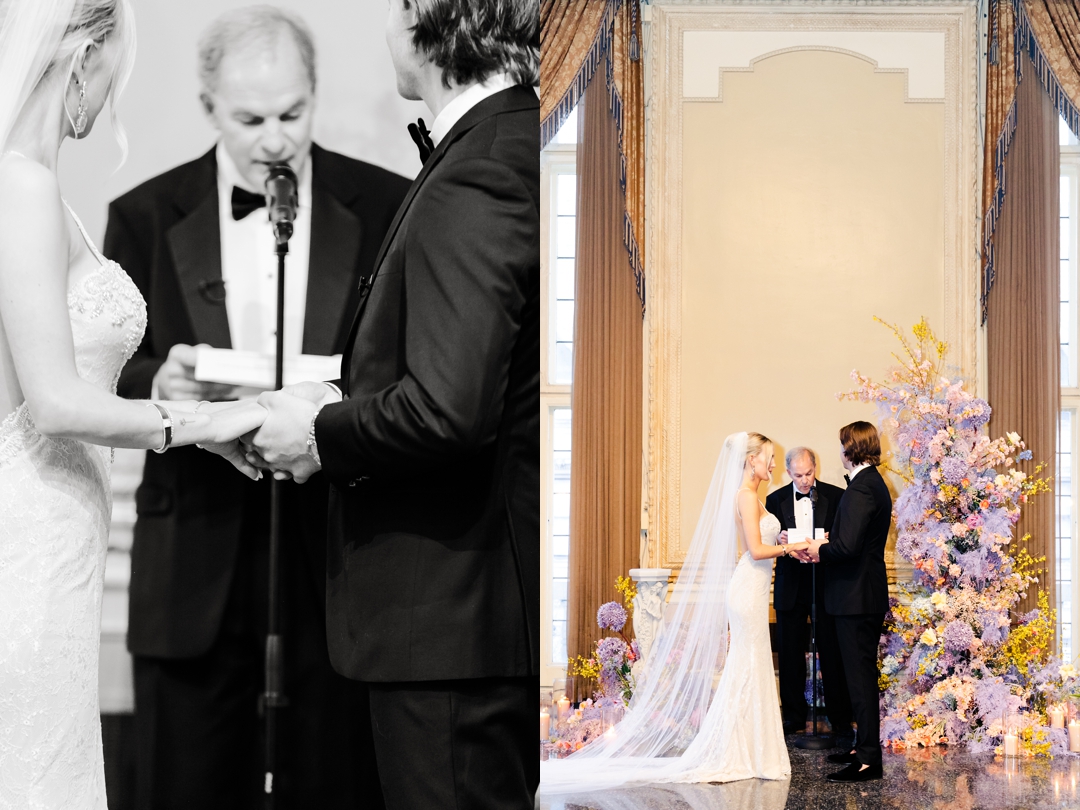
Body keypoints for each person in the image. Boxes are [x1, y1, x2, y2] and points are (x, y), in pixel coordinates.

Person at [215, 0, 540, 806]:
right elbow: (465, 371)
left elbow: (448, 410)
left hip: (451, 624)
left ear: (424, 19)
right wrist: (334, 394)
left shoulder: (481, 168)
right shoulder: (499, 143)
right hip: (464, 620)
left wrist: (318, 433)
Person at [103, 7, 411, 809]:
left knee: (335, 782)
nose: (275, 139)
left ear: (314, 95)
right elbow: (109, 369)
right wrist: (160, 383)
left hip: (335, 546)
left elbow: (410, 363)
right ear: (209, 107)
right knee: (186, 781)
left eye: (292, 114)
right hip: (193, 548)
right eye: (250, 120)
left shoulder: (389, 204)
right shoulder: (144, 213)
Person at [0, 1, 263, 805]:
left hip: (61, 543)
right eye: (116, 69)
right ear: (84, 57)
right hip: (32, 542)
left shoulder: (37, 188)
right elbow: (52, 402)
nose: (116, 94)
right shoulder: (22, 185)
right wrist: (199, 423)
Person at [539, 433, 811, 793]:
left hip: (756, 590)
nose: (773, 464)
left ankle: (752, 750)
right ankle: (743, 751)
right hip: (747, 591)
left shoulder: (753, 496)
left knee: (752, 666)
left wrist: (783, 542)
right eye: (769, 457)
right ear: (751, 460)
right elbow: (755, 551)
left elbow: (762, 541)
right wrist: (793, 547)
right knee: (748, 665)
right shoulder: (746, 496)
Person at [806, 421, 893, 782]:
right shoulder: (871, 484)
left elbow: (847, 548)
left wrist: (819, 548)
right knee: (860, 677)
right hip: (861, 596)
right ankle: (862, 748)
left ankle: (869, 759)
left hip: (856, 598)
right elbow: (853, 539)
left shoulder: (862, 488)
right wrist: (832, 540)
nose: (840, 450)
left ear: (851, 449)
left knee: (860, 680)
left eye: (842, 444)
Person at [765, 446, 852, 739]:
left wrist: (829, 540)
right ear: (788, 472)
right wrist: (780, 539)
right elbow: (765, 540)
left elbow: (844, 538)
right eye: (798, 475)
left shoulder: (836, 496)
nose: (804, 480)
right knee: (790, 652)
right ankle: (793, 717)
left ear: (816, 467)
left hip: (825, 582)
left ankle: (840, 717)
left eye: (809, 473)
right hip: (790, 584)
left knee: (832, 651)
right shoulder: (774, 499)